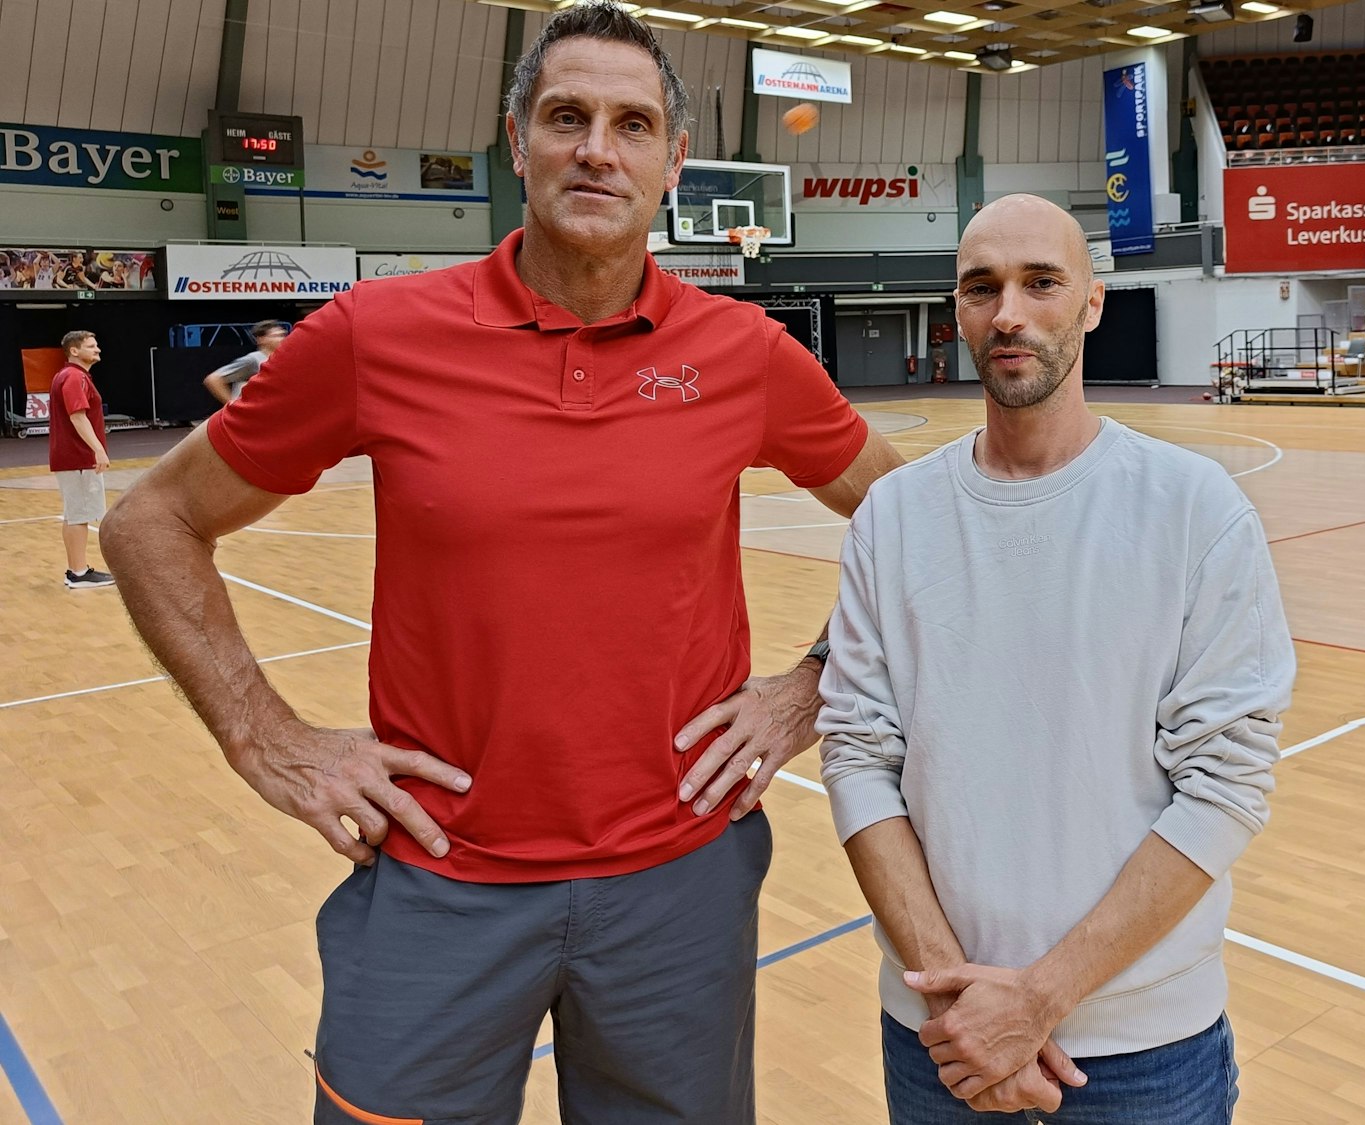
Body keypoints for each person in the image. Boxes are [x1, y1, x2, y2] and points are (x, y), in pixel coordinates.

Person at [99, 4, 901, 1122]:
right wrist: (264, 736)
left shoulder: (743, 355)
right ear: (516, 140)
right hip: (437, 879)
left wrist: (808, 691)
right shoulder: (376, 336)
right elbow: (150, 522)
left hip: (679, 881)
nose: (595, 147)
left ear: (674, 161)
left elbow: (919, 523)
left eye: (632, 124)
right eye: (566, 116)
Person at [817, 193, 1295, 1123]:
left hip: (1144, 1052)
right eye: (981, 288)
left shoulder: (1195, 509)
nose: (1009, 313)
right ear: (956, 310)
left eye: (1041, 283)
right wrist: (962, 1004)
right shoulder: (893, 516)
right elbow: (856, 756)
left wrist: (1039, 997)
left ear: (1092, 303)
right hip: (939, 1040)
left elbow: (1226, 786)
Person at [50, 329, 116, 589]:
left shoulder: (68, 376)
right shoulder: (74, 377)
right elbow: (78, 416)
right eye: (91, 346)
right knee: (78, 515)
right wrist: (98, 449)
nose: (97, 349)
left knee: (73, 514)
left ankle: (75, 570)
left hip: (71, 457)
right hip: (78, 457)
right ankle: (78, 573)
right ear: (74, 351)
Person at [202, 319, 288, 403]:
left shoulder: (282, 359)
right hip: (254, 414)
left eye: (283, 335)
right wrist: (232, 405)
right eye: (276, 336)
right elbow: (213, 379)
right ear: (261, 339)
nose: (282, 339)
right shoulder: (254, 359)